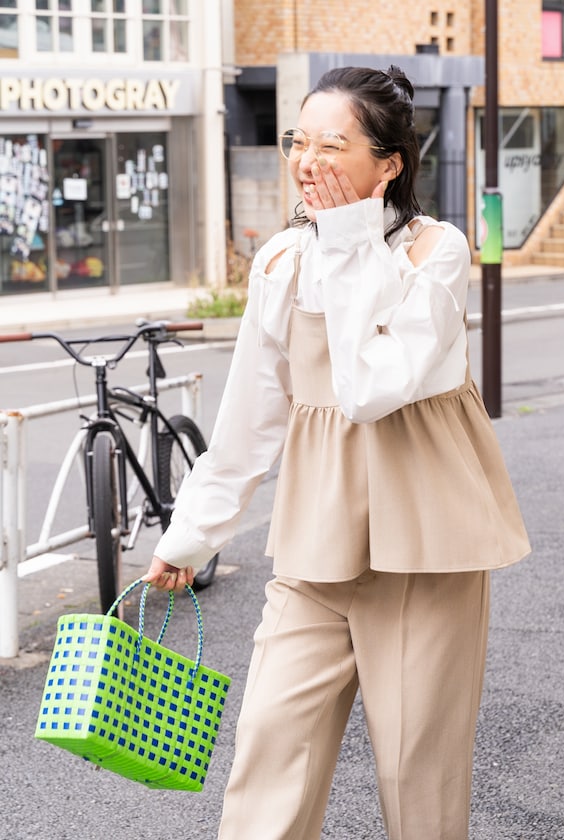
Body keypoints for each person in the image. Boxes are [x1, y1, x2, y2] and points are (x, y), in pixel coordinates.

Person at [144, 65, 530, 840]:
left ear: (389, 162)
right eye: (299, 140)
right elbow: (251, 416)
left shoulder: (436, 253)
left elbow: (369, 389)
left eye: (333, 143)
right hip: (315, 547)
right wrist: (190, 536)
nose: (308, 159)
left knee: (417, 778)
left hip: (425, 548)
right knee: (268, 755)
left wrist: (352, 235)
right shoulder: (284, 262)